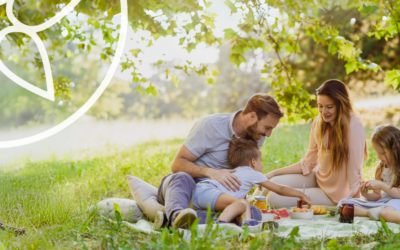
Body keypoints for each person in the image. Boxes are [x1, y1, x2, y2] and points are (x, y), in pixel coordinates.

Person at [154, 93, 284, 230]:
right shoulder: (209, 125)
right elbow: (177, 165)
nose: (268, 134)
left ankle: (179, 221)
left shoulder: (257, 135)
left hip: (216, 197)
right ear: (252, 116)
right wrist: (211, 172)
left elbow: (245, 170)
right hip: (185, 190)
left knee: (253, 213)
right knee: (181, 177)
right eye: (268, 127)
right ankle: (177, 214)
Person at [255, 80, 368, 207]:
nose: (323, 112)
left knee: (274, 198)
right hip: (317, 178)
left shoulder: (353, 126)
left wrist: (355, 204)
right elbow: (308, 163)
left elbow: (354, 171)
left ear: (341, 105)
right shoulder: (319, 122)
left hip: (334, 195)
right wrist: (273, 173)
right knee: (270, 183)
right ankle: (246, 211)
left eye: (329, 107)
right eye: (320, 106)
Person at [189, 138, 312, 228]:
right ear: (253, 162)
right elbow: (280, 189)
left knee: (244, 203)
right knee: (242, 204)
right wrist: (300, 194)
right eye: (261, 160)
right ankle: (221, 226)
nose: (262, 164)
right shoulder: (251, 172)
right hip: (209, 191)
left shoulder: (236, 171)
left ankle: (245, 223)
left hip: (198, 193)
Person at [337, 125, 400, 223]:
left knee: (387, 213)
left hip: (397, 201)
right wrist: (365, 194)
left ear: (395, 149)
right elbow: (377, 195)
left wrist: (381, 185)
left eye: (382, 152)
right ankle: (371, 212)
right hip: (383, 202)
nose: (379, 156)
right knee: (343, 204)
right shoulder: (381, 167)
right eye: (377, 152)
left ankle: (382, 213)